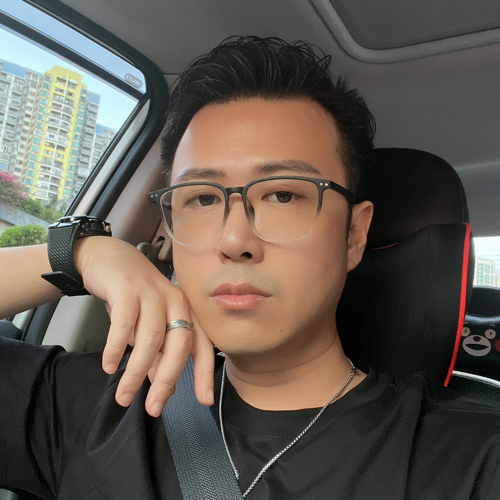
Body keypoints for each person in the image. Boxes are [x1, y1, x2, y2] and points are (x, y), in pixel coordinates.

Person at [1, 36, 500, 499]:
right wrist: (81, 253)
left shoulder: (468, 459)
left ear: (354, 235)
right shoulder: (102, 404)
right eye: (201, 198)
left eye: (283, 195)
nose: (234, 241)